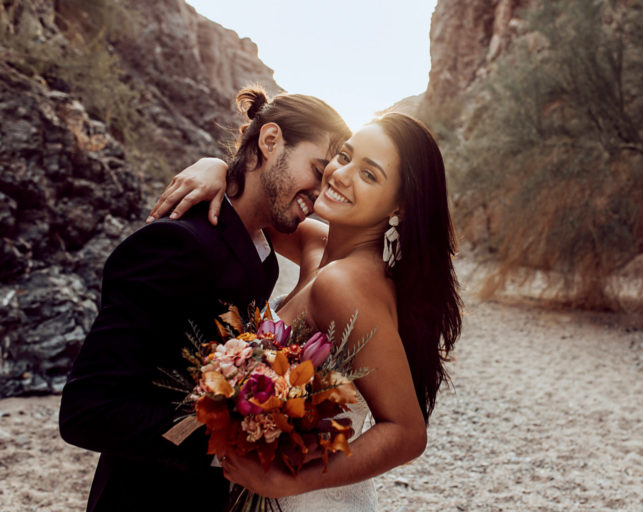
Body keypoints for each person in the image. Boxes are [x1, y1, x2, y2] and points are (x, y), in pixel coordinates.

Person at [150, 110, 463, 510]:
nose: (341, 175)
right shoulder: (319, 247)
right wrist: (217, 170)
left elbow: (406, 432)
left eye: (369, 175)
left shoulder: (344, 285)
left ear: (399, 206)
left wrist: (286, 481)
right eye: (345, 157)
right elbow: (258, 203)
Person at [58, 86, 350, 512]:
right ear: (270, 142)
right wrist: (234, 435)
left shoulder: (263, 250)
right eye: (317, 169)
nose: (318, 194)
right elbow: (87, 410)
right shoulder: (176, 245)